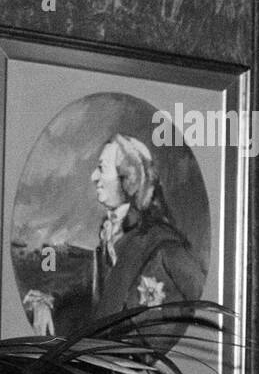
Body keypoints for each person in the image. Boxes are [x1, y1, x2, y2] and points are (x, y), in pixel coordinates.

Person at [24, 133, 206, 341]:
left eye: (101, 168)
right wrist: (45, 302)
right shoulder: (110, 234)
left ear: (128, 178)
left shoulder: (162, 244)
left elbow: (201, 299)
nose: (93, 176)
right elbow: (89, 292)